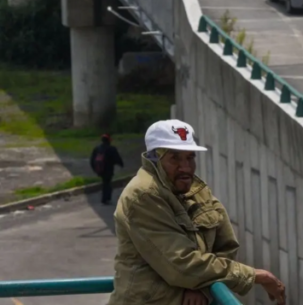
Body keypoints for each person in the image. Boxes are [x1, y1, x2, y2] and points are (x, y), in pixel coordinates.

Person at [109, 120, 287, 305]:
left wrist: (200, 286)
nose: (185, 167)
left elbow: (226, 246)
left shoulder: (196, 189)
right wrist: (257, 276)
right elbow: (181, 264)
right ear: (155, 159)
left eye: (190, 157)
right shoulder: (143, 195)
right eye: (175, 158)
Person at [90, 134, 124, 205]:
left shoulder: (97, 148)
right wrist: (121, 164)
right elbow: (117, 158)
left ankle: (105, 198)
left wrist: (94, 169)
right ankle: (106, 198)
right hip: (108, 169)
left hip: (100, 169)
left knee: (104, 182)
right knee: (107, 183)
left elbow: (92, 159)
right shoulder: (111, 148)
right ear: (108, 141)